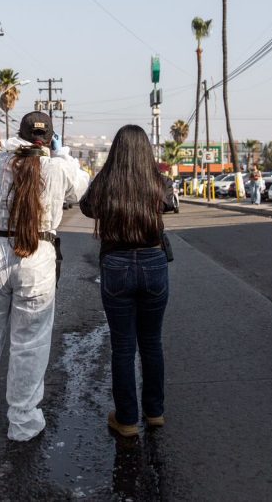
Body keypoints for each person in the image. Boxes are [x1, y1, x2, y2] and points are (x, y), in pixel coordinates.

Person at [0, 111, 89, 441]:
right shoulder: (57, 167)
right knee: (30, 341)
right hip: (37, 253)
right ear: (50, 139)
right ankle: (23, 421)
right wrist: (64, 154)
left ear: (20, 134)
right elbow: (81, 189)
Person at [79, 125, 176, 438]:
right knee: (151, 342)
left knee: (123, 347)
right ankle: (155, 411)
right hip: (153, 262)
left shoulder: (105, 182)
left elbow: (86, 207)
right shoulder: (159, 182)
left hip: (117, 263)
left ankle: (127, 419)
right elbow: (169, 203)